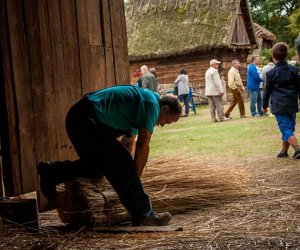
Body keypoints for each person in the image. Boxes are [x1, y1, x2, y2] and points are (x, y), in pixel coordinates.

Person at [37, 85, 182, 226]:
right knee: (122, 164)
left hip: (80, 119)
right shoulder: (151, 104)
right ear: (165, 108)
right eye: (166, 121)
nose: (162, 124)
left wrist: (132, 180)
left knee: (100, 168)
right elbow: (143, 145)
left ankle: (52, 172)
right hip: (85, 118)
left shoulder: (142, 108)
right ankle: (144, 214)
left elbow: (129, 143)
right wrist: (132, 175)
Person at [263, 42, 300, 159]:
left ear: (273, 56)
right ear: (287, 55)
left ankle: (298, 149)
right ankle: (284, 151)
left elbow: (267, 91)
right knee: (289, 127)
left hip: (279, 106)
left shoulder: (271, 73)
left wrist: (264, 105)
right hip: (292, 104)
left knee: (286, 128)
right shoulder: (294, 70)